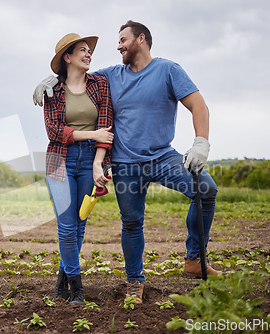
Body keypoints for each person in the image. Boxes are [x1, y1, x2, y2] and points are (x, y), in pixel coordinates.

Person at [34, 21, 220, 304]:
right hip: (124, 164)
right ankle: (134, 281)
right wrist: (52, 78)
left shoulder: (169, 70)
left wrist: (201, 141)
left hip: (162, 156)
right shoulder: (111, 76)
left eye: (123, 40)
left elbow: (198, 105)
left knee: (206, 190)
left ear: (141, 39)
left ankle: (194, 258)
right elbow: (76, 78)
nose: (118, 45)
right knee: (131, 224)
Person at [43, 33, 114, 305]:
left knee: (80, 224)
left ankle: (63, 277)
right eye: (82, 50)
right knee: (66, 226)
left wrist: (98, 162)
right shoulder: (53, 91)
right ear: (67, 57)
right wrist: (92, 134)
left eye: (89, 51)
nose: (88, 54)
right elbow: (54, 132)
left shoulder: (100, 84)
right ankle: (77, 287)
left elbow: (106, 128)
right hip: (59, 160)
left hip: (90, 161)